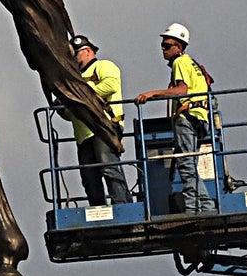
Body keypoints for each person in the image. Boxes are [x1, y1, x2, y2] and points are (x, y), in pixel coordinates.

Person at [134, 23, 214, 213]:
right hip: (200, 118)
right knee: (190, 166)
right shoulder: (193, 64)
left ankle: (197, 208)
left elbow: (181, 90)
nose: (164, 49)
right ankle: (204, 206)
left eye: (168, 45)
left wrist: (152, 94)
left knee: (186, 166)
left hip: (188, 118)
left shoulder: (180, 62)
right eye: (163, 45)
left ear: (179, 47)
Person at [68, 34, 133, 204]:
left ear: (88, 51)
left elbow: (111, 85)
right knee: (89, 177)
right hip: (84, 135)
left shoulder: (103, 66)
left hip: (104, 127)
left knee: (108, 167)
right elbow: (69, 112)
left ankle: (122, 205)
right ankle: (98, 210)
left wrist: (81, 95)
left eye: (75, 54)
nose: (73, 58)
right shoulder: (74, 80)